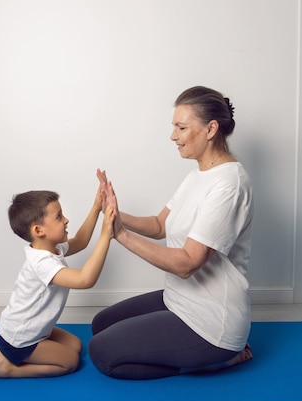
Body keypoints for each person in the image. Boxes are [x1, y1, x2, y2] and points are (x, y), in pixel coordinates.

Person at [89, 85, 254, 380]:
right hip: (178, 298)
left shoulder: (229, 184)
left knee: (102, 353)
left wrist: (121, 235)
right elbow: (159, 225)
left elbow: (187, 263)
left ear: (210, 129)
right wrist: (113, 212)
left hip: (211, 321)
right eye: (173, 127)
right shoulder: (198, 174)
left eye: (181, 127)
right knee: (100, 324)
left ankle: (216, 360)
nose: (173, 136)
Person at [0, 187, 115, 378]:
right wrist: (106, 234)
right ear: (39, 230)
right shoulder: (42, 263)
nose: (66, 220)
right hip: (21, 339)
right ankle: (9, 368)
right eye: (59, 216)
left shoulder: (51, 249)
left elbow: (80, 240)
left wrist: (97, 206)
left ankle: (7, 353)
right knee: (71, 362)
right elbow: (84, 279)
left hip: (21, 332)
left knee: (75, 345)